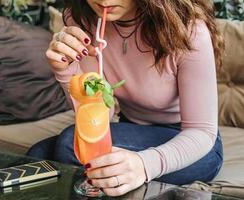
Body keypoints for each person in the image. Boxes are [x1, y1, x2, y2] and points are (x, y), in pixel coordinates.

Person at [27, 0, 224, 196]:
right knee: (38, 154)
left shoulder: (189, 31)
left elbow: (202, 132)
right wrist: (66, 72)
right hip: (130, 127)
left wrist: (144, 165)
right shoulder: (83, 19)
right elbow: (102, 112)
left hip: (193, 144)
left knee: (67, 145)